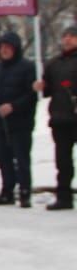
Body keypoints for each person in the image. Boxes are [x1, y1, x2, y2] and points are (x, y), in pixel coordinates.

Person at [0, 31, 39, 207]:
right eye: (2, 47)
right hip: (0, 123)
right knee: (2, 158)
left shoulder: (27, 67)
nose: (4, 50)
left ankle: (25, 192)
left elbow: (31, 95)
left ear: (15, 49)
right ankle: (7, 191)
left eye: (8, 47)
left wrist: (13, 107)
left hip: (20, 123)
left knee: (21, 158)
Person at [34, 25, 77, 210]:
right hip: (60, 118)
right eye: (65, 36)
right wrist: (42, 87)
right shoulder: (53, 63)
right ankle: (64, 197)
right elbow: (49, 90)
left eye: (72, 36)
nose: (67, 39)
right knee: (63, 161)